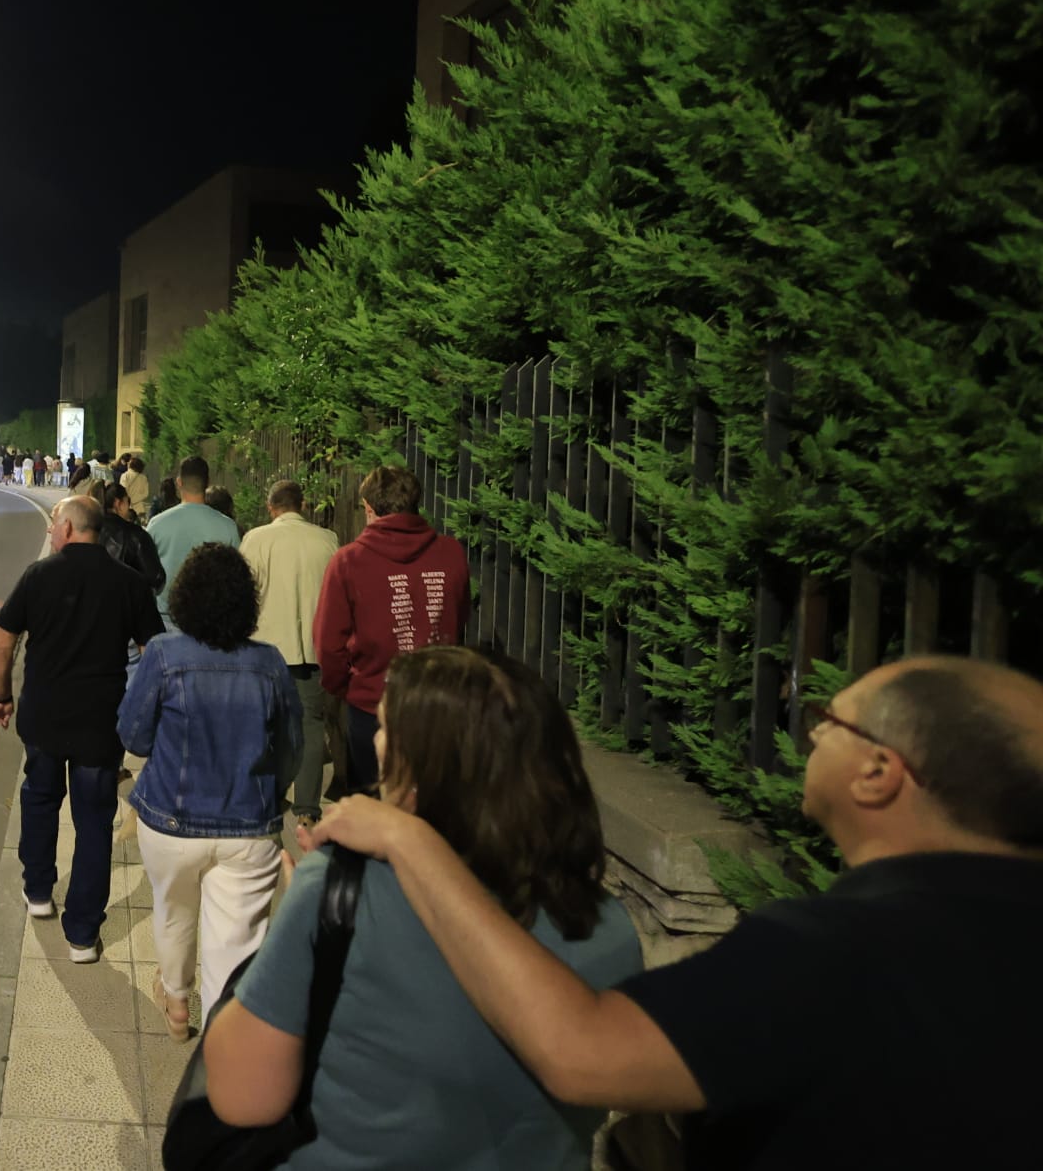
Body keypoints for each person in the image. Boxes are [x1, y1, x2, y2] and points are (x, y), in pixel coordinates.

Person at [294, 654, 1043, 1171]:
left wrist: (407, 838)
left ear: (879, 771)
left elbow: (581, 1053)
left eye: (829, 720)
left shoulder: (834, 952)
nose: (811, 731)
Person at [205, 647, 642, 1167]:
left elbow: (241, 1096)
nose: (376, 741)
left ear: (423, 767)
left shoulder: (342, 891)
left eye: (387, 727)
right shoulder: (610, 927)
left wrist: (306, 919)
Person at [118, 543, 302, 1038]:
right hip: (249, 825)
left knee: (173, 910)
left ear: (184, 599)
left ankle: (177, 999)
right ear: (247, 603)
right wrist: (270, 793)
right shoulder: (270, 663)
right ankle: (223, 1042)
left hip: (170, 821)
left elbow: (133, 736)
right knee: (237, 942)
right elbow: (291, 749)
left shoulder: (163, 654)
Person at [0, 495, 163, 962]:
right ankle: (83, 935)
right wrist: (141, 711)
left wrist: (2, 697)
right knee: (93, 821)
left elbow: (2, 645)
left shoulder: (38, 575)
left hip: (44, 717)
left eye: (53, 523)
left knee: (40, 799)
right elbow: (154, 654)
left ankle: (38, 891)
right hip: (100, 722)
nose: (50, 531)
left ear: (67, 527)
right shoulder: (129, 582)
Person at [313, 464, 469, 794]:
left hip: (372, 704)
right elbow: (460, 615)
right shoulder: (452, 552)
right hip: (437, 702)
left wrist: (344, 688)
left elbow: (328, 644)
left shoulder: (348, 561)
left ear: (368, 508)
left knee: (372, 805)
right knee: (432, 804)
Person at [239, 479, 342, 830]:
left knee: (266, 723)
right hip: (312, 648)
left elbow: (245, 592)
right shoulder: (327, 540)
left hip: (266, 648)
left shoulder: (256, 539)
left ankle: (268, 795)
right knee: (311, 725)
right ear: (303, 505)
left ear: (271, 507)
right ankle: (307, 808)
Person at [146, 456, 241, 627]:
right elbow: (236, 576)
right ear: (207, 483)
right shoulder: (228, 526)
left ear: (179, 482)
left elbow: (147, 571)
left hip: (166, 617)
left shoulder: (157, 523)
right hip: (211, 619)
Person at [89, 481, 165, 592]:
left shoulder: (87, 530)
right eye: (128, 501)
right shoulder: (136, 535)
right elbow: (157, 578)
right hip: (127, 599)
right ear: (117, 503)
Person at [121, 455, 151, 522]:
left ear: (131, 465)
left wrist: (130, 500)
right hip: (139, 508)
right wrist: (136, 499)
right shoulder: (143, 478)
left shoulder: (125, 476)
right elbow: (146, 493)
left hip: (127, 508)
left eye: (129, 462)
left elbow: (122, 491)